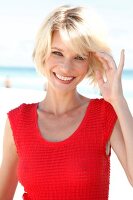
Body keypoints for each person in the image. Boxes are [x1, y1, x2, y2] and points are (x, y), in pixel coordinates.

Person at [0, 5, 133, 200]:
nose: (66, 67)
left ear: (90, 62)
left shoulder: (104, 114)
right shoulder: (17, 121)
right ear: (43, 53)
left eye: (78, 57)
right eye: (57, 53)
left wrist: (118, 100)